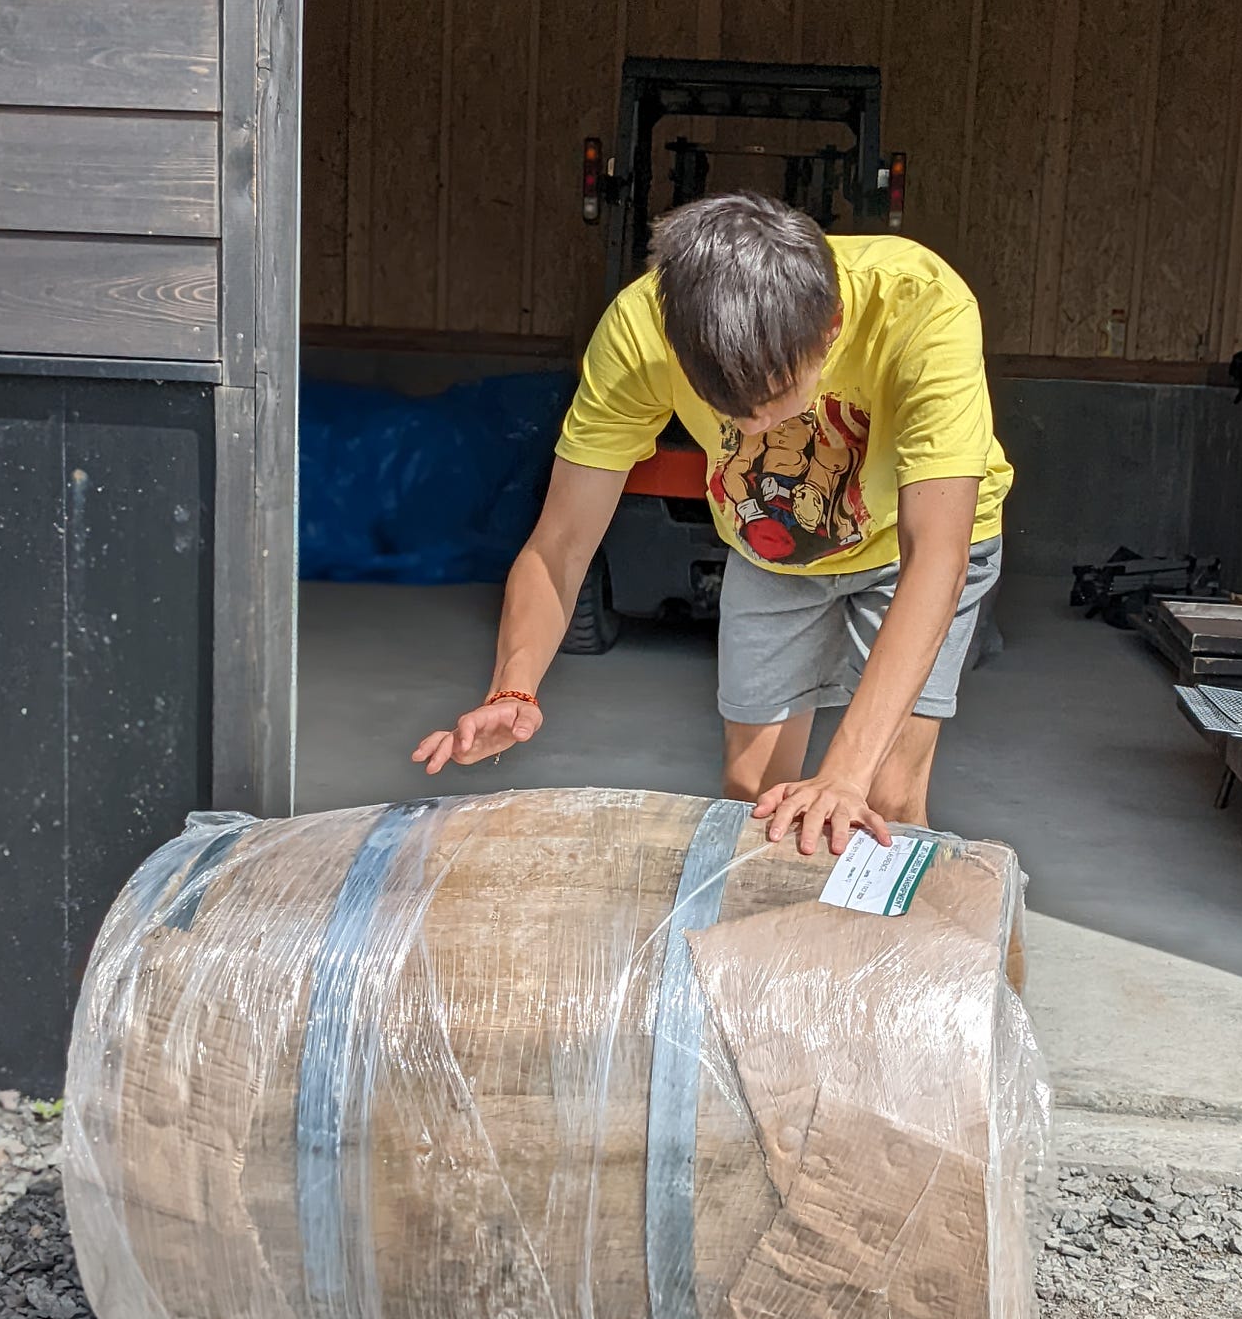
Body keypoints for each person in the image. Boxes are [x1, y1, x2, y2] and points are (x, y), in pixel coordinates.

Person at [413, 192, 1013, 856]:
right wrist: (513, 685)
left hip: (909, 546)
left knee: (884, 800)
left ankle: (891, 919)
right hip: (772, 550)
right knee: (756, 801)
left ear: (832, 327)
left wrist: (844, 775)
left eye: (771, 403)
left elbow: (937, 555)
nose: (751, 432)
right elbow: (560, 541)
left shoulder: (922, 306)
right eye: (725, 410)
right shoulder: (642, 330)